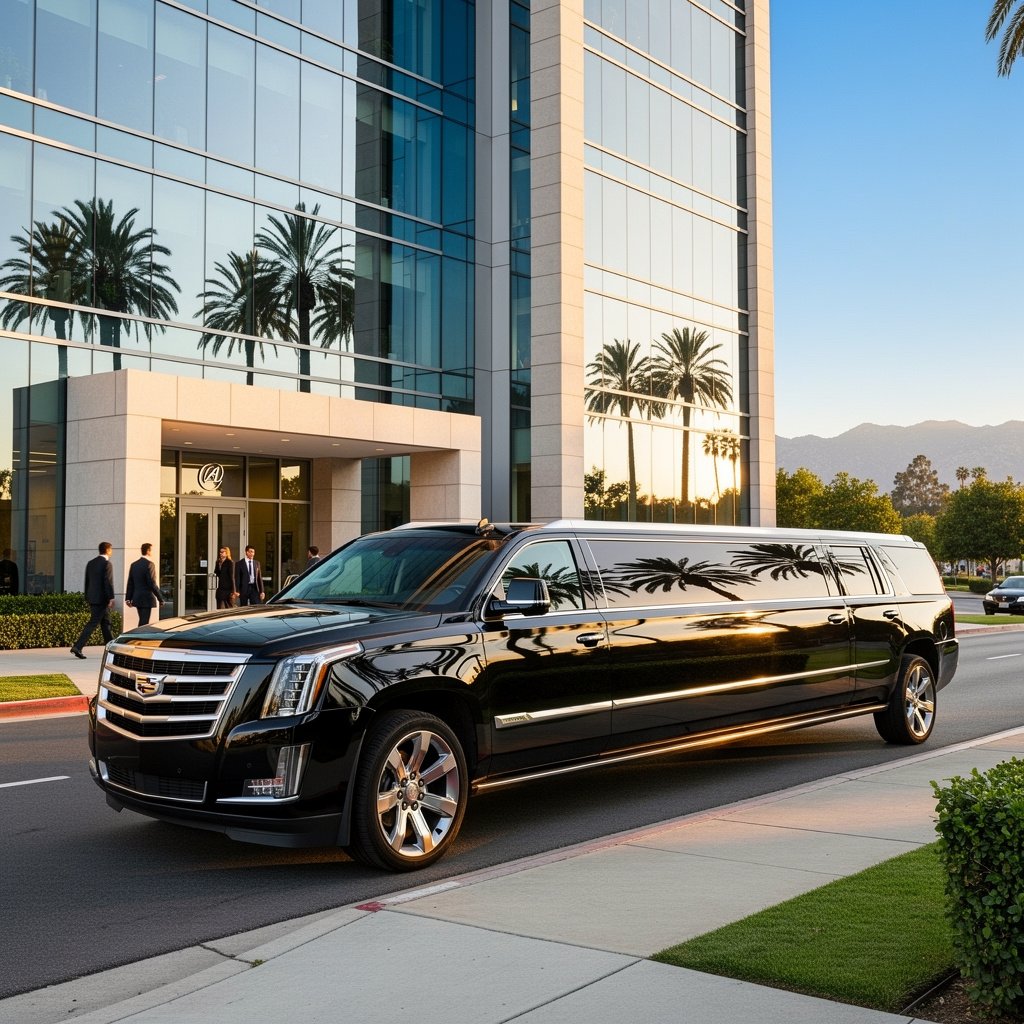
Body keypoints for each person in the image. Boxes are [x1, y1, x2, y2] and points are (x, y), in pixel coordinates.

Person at [71, 541, 115, 658]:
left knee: (106, 623)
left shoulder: (90, 563)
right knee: (93, 623)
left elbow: (87, 582)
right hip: (102, 600)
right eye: (111, 549)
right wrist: (111, 597)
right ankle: (77, 646)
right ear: (108, 550)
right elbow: (108, 582)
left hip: (93, 598)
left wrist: (87, 596)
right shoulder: (107, 564)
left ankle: (111, 649)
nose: (112, 552)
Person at [125, 543, 163, 627]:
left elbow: (130, 583)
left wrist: (128, 598)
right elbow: (152, 583)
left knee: (142, 621)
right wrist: (160, 598)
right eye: (151, 550)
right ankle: (138, 638)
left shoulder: (134, 565)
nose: (152, 552)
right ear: (148, 551)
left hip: (137, 597)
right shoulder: (150, 564)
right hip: (146, 598)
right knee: (144, 623)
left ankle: (138, 638)